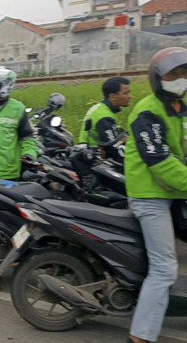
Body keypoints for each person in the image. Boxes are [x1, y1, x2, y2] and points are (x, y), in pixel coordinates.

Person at [124, 47, 187, 343]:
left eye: (184, 73)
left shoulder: (177, 108)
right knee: (164, 268)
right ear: (157, 78)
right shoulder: (148, 110)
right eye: (173, 73)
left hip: (172, 193)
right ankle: (140, 337)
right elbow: (160, 161)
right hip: (150, 197)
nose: (180, 78)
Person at [79, 76, 131, 158]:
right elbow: (112, 148)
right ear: (112, 96)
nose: (129, 96)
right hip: (96, 160)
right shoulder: (104, 117)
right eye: (126, 93)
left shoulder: (100, 108)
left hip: (89, 155)